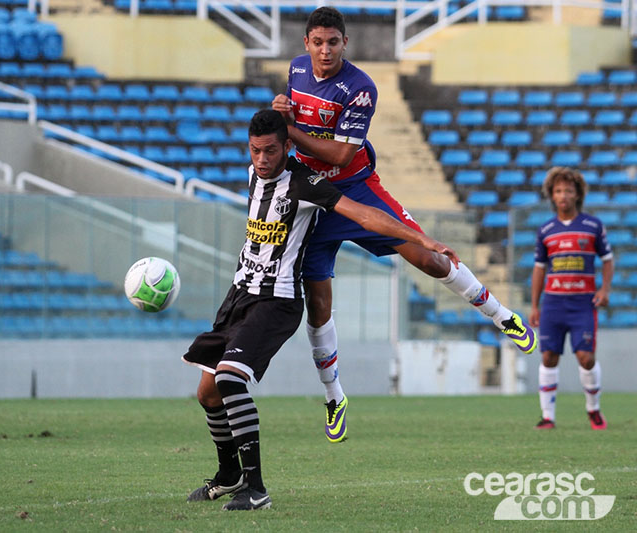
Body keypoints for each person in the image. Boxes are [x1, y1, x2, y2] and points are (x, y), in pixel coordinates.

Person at [272, 6, 536, 443]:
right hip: (314, 199)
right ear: (306, 44)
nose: (324, 50)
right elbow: (296, 126)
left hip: (355, 188)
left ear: (345, 43)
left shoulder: (359, 87)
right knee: (317, 305)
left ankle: (501, 315)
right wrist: (283, 112)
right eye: (317, 42)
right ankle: (335, 396)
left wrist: (287, 129)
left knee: (429, 259)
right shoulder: (297, 70)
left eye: (332, 42)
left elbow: (339, 155)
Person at [183, 109, 460, 510]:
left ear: (288, 147)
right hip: (238, 296)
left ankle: (255, 490)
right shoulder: (253, 174)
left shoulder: (304, 183)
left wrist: (421, 239)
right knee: (208, 393)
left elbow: (365, 215)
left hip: (275, 301)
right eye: (256, 151)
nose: (262, 159)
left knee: (229, 381)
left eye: (271, 151)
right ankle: (228, 477)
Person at [529, 167, 612, 430]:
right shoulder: (546, 230)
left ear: (577, 194)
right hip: (553, 304)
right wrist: (534, 305)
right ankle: (548, 416)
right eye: (558, 191)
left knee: (586, 358)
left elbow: (607, 261)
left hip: (582, 304)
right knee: (548, 357)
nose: (563, 195)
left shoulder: (592, 226)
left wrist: (605, 290)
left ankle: (594, 410)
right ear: (551, 196)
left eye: (568, 190)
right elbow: (539, 268)